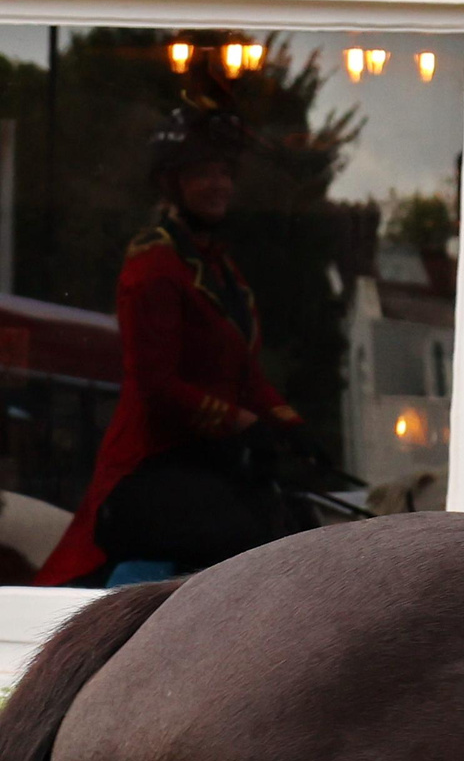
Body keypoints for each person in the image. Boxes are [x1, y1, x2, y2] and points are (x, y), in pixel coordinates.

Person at [34, 95, 322, 586]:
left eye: (225, 173)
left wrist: (291, 425)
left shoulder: (219, 267)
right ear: (173, 183)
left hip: (210, 462)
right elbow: (156, 385)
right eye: (203, 174)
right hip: (152, 467)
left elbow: (244, 374)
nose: (220, 185)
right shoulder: (153, 264)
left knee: (298, 523)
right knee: (250, 533)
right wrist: (240, 422)